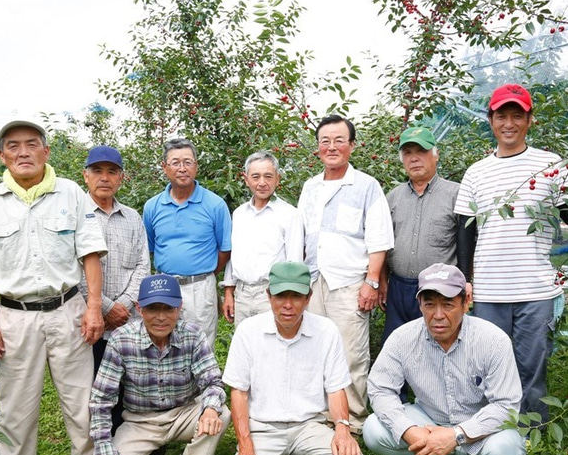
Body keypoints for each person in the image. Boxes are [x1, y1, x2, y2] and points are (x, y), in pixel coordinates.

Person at [0, 120, 107, 455]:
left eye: (32, 144)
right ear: (2, 155)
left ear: (46, 151)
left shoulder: (71, 193)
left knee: (81, 401)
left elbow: (89, 252)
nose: (23, 152)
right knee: (14, 407)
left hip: (68, 312)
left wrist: (93, 308)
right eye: (14, 146)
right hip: (14, 317)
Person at [363, 263, 526, 455]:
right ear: (419, 305)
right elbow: (380, 389)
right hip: (427, 423)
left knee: (507, 453)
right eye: (429, 304)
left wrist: (455, 436)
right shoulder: (402, 338)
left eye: (448, 304)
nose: (438, 315)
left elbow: (506, 406)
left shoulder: (493, 341)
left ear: (466, 302)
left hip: (477, 433)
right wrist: (410, 431)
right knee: (373, 429)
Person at [217, 261, 364, 455]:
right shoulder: (248, 331)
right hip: (262, 430)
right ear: (268, 296)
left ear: (308, 298)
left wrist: (342, 429)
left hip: (309, 426)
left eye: (296, 296)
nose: (288, 304)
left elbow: (336, 388)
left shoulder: (326, 331)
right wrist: (246, 446)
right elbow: (237, 393)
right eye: (280, 295)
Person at [454, 84, 568, 420]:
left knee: (533, 366)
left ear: (529, 120)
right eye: (501, 115)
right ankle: (493, 426)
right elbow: (466, 230)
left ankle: (533, 431)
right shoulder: (476, 172)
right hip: (490, 290)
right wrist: (466, 280)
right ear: (490, 120)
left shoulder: (549, 166)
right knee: (489, 364)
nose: (509, 122)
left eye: (517, 115)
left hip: (536, 289)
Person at [87, 274, 231, 455]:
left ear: (179, 307)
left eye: (168, 308)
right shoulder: (121, 340)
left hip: (183, 413)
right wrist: (103, 449)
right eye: (153, 309)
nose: (161, 317)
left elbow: (213, 381)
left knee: (221, 415)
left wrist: (210, 410)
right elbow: (102, 399)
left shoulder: (193, 335)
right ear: (139, 309)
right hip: (140, 420)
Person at [298, 115, 394, 433]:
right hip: (313, 281)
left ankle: (351, 420)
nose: (332, 147)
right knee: (313, 350)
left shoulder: (366, 186)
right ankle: (319, 417)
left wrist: (371, 282)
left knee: (350, 353)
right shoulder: (310, 188)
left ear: (352, 145)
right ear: (317, 148)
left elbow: (379, 240)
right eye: (325, 141)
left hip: (349, 284)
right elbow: (302, 237)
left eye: (339, 140)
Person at [79, 145, 150, 433]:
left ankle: (126, 438)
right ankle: (97, 439)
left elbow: (143, 265)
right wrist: (106, 307)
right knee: (93, 382)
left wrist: (124, 305)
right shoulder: (77, 215)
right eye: (98, 171)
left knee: (128, 382)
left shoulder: (133, 217)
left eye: (112, 172)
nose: (104, 178)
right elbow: (75, 270)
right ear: (86, 176)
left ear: (121, 178)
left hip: (128, 319)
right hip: (90, 319)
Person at [143, 138, 232, 348]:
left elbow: (225, 249)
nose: (182, 168)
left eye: (188, 162)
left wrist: (204, 273)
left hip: (200, 287)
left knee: (201, 346)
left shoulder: (215, 205)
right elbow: (150, 247)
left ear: (196, 166)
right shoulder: (152, 207)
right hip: (164, 286)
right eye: (175, 163)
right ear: (165, 167)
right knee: (162, 344)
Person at [379, 127, 461, 344]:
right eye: (408, 153)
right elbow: (382, 243)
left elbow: (468, 244)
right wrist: (382, 281)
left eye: (421, 151)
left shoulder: (456, 195)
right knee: (398, 348)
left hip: (440, 290)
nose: (414, 159)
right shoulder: (392, 198)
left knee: (438, 350)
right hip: (398, 289)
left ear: (435, 155)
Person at [222, 151, 304, 326]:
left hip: (272, 292)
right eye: (255, 176)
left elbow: (295, 261)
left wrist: (287, 299)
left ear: (277, 178)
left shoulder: (290, 214)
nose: (262, 183)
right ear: (246, 179)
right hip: (242, 294)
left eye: (268, 176)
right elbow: (233, 256)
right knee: (245, 347)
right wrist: (229, 292)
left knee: (273, 346)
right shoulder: (239, 214)